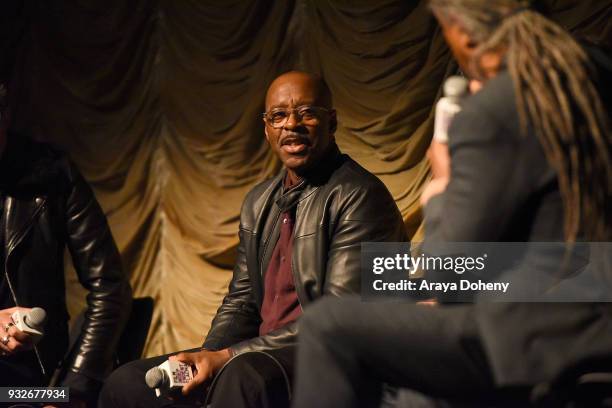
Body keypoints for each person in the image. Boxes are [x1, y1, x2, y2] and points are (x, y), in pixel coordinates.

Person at [291, 1, 612, 407]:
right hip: (588, 307)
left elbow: (446, 274)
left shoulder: (497, 109)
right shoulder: (592, 75)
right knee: (408, 365)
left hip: (540, 333)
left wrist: (442, 186)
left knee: (328, 323)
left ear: (463, 31)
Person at [99, 71, 408, 408]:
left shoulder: (360, 196)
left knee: (243, 377)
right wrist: (208, 355)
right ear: (266, 129)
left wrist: (227, 358)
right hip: (259, 355)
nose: (292, 124)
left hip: (334, 360)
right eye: (278, 116)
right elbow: (243, 300)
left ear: (331, 122)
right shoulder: (259, 201)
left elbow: (337, 321)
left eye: (306, 112)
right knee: (126, 383)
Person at [0, 83, 132, 406]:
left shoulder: (53, 174)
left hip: (32, 385)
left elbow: (110, 288)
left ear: (4, 115)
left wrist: (70, 390)